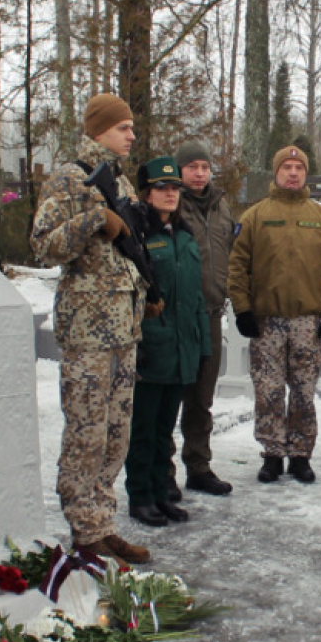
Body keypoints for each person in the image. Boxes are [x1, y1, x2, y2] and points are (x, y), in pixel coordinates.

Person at [30, 93, 152, 564]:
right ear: (99, 129)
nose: (131, 135)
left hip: (124, 330)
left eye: (132, 127)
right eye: (124, 127)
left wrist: (148, 292)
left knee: (116, 433)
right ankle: (84, 530)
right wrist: (94, 219)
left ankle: (103, 522)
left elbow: (130, 250)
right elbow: (44, 245)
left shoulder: (120, 180)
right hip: (87, 332)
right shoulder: (69, 178)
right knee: (87, 432)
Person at [228, 146, 321, 483]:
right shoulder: (255, 216)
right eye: (287, 167)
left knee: (304, 391)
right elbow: (238, 266)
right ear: (276, 172)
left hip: (307, 321)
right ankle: (272, 454)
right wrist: (242, 309)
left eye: (299, 168)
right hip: (267, 322)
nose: (293, 173)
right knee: (268, 391)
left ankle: (300, 453)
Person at [121, 157, 212, 528]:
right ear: (147, 193)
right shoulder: (137, 237)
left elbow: (195, 298)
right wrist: (138, 341)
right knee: (143, 429)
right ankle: (141, 495)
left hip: (181, 348)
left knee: (164, 428)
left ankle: (162, 491)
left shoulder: (185, 236)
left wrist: (202, 345)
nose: (170, 193)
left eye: (175, 187)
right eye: (162, 188)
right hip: (151, 347)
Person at [170, 140, 235, 497]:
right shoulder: (170, 203)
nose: (199, 173)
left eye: (205, 167)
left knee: (201, 399)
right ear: (179, 170)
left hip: (210, 314)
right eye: (192, 167)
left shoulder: (221, 205)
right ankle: (162, 472)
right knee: (169, 397)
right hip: (176, 316)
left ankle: (198, 466)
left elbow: (230, 252)